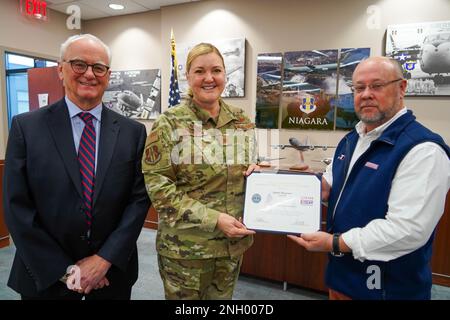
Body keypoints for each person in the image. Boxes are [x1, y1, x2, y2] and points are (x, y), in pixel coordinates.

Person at [288, 56, 450, 300]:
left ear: (402, 88)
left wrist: (334, 243)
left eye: (376, 86)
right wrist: (293, 187)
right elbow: (330, 188)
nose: (366, 94)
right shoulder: (351, 140)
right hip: (342, 279)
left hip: (388, 289)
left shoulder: (423, 149)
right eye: (359, 88)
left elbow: (406, 230)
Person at [3, 34, 150, 300]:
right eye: (79, 64)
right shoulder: (26, 128)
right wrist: (66, 270)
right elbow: (17, 207)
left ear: (108, 74)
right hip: (45, 278)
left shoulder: (133, 132)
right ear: (61, 69)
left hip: (111, 277)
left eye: (99, 67)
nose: (89, 75)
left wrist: (104, 259)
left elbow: (138, 201)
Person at [142, 43, 257, 300]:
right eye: (199, 71)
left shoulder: (241, 121)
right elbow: (159, 190)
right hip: (186, 251)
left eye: (216, 70)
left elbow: (248, 168)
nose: (209, 78)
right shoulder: (169, 123)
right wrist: (214, 219)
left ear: (225, 75)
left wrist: (258, 173)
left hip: (230, 248)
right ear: (188, 76)